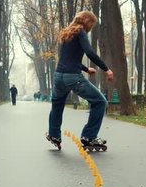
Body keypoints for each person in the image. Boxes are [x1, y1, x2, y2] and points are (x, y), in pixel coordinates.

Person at [46, 10, 114, 149]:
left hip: (59, 76)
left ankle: (54, 135)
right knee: (100, 101)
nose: (91, 28)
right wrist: (106, 69)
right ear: (87, 22)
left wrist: (86, 69)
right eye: (92, 24)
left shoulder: (66, 33)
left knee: (57, 104)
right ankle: (89, 136)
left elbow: (68, 59)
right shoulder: (81, 32)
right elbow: (89, 52)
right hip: (72, 77)